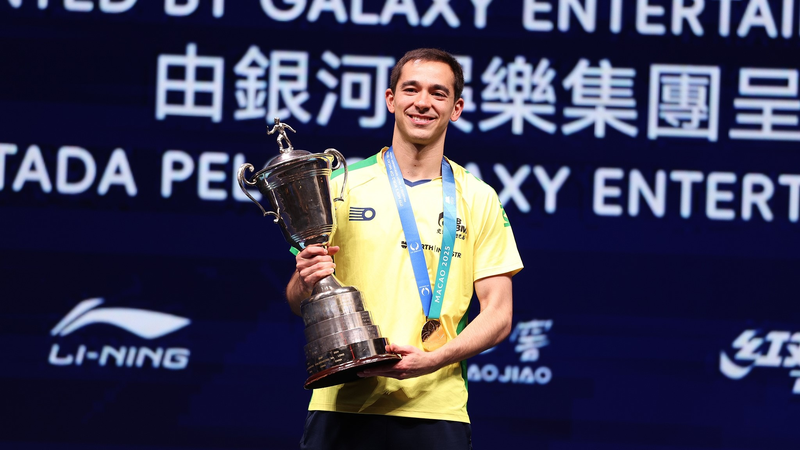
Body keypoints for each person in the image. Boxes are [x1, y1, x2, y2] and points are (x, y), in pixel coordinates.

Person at [286, 48, 524, 450]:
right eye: (411, 89)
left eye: (438, 93)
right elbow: (298, 298)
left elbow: (499, 314)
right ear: (391, 100)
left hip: (435, 409)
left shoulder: (479, 198)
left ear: (456, 108)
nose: (423, 103)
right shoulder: (340, 185)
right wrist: (305, 281)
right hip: (342, 402)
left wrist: (433, 359)